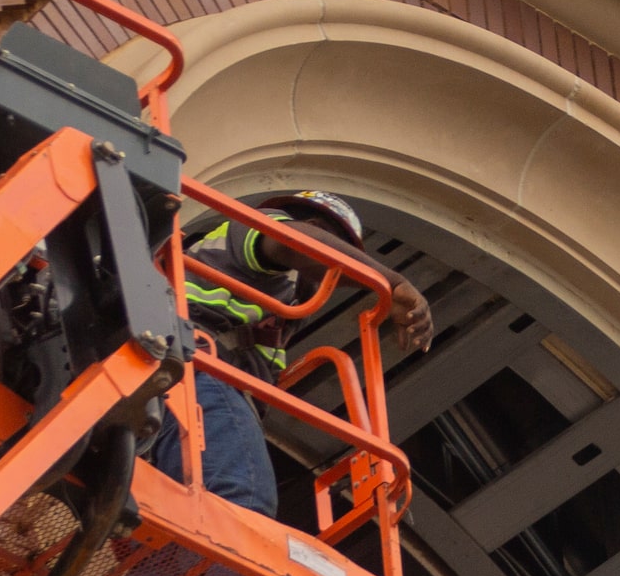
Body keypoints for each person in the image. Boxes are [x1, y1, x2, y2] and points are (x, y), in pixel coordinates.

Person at [150, 190, 436, 516]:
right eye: (337, 250)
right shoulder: (256, 232)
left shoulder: (284, 302)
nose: (335, 273)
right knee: (240, 502)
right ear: (313, 225)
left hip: (193, 378)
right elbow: (294, 241)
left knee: (174, 515)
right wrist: (391, 282)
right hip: (195, 363)